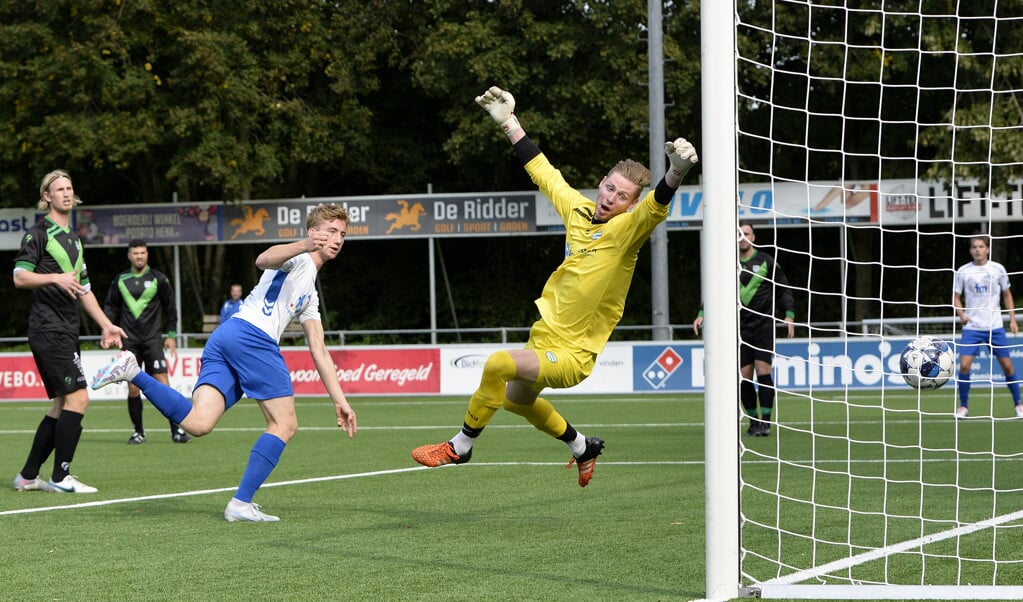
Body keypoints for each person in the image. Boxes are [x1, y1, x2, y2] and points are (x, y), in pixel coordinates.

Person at [411, 85, 698, 487]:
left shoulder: (627, 231)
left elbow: (656, 207)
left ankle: (460, 447)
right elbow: (545, 173)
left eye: (622, 196)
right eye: (609, 187)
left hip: (572, 354)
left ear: (631, 205)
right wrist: (509, 123)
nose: (611, 197)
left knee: (497, 365)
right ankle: (582, 446)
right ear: (602, 182)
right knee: (516, 401)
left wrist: (676, 173)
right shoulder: (579, 209)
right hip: (542, 337)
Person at [92, 204, 358, 521]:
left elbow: (320, 349)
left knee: (198, 423)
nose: (337, 238)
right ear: (312, 232)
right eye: (330, 231)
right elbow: (263, 260)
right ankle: (240, 503)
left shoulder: (310, 295)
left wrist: (340, 401)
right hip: (251, 338)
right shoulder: (297, 258)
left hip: (226, 338)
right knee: (285, 424)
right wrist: (304, 245)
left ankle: (132, 372)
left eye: (342, 233)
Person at [12, 169, 126, 494]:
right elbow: (20, 276)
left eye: (69, 188)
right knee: (78, 398)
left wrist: (106, 325)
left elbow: (84, 289)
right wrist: (54, 278)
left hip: (67, 330)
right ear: (46, 196)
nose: (65, 193)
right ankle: (61, 478)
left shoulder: (74, 239)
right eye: (58, 188)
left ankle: (28, 475)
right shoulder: (38, 234)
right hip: (48, 330)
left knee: (61, 405)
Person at [693, 222, 795, 437]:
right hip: (738, 328)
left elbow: (784, 288)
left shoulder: (766, 261)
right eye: (738, 234)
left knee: (763, 370)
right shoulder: (728, 262)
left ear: (753, 237)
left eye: (745, 233)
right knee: (744, 377)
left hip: (763, 326)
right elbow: (714, 290)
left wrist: (789, 314)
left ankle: (766, 423)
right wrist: (702, 315)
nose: (742, 237)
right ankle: (753, 421)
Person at [103, 239, 191, 444]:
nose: (139, 256)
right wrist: (107, 329)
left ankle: (176, 430)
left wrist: (171, 336)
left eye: (142, 253)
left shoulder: (159, 279)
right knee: (133, 388)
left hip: (153, 339)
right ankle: (138, 432)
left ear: (147, 254)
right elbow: (111, 307)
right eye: (135, 253)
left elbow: (171, 308)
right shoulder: (120, 280)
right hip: (129, 341)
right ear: (129, 256)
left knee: (163, 384)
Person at [952, 233, 1021, 419]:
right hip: (972, 327)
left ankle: (1018, 404)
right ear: (970, 250)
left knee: (1007, 366)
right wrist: (961, 313)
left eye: (981, 247)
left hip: (995, 326)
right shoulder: (963, 271)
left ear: (987, 249)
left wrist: (1012, 319)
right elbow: (956, 298)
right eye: (974, 247)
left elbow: (1007, 294)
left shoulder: (998, 269)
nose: (977, 250)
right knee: (964, 366)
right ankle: (963, 407)